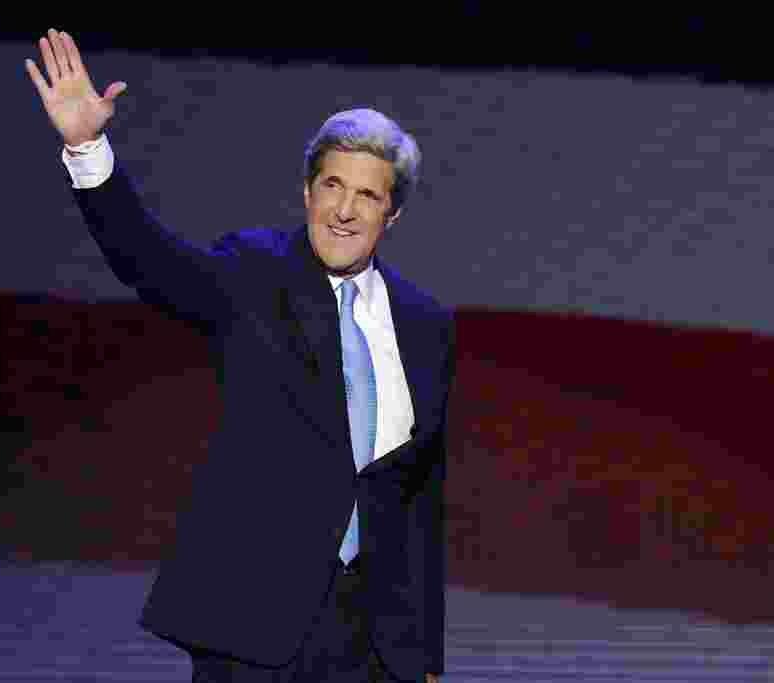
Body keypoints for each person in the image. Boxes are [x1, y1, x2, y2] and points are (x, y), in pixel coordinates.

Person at [25, 29, 453, 683]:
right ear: (307, 192)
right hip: (253, 627)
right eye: (331, 185)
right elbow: (150, 259)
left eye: (367, 194)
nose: (343, 209)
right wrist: (87, 148)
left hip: (372, 642)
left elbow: (419, 496)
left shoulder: (425, 323)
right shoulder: (253, 271)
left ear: (391, 215)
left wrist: (424, 653)